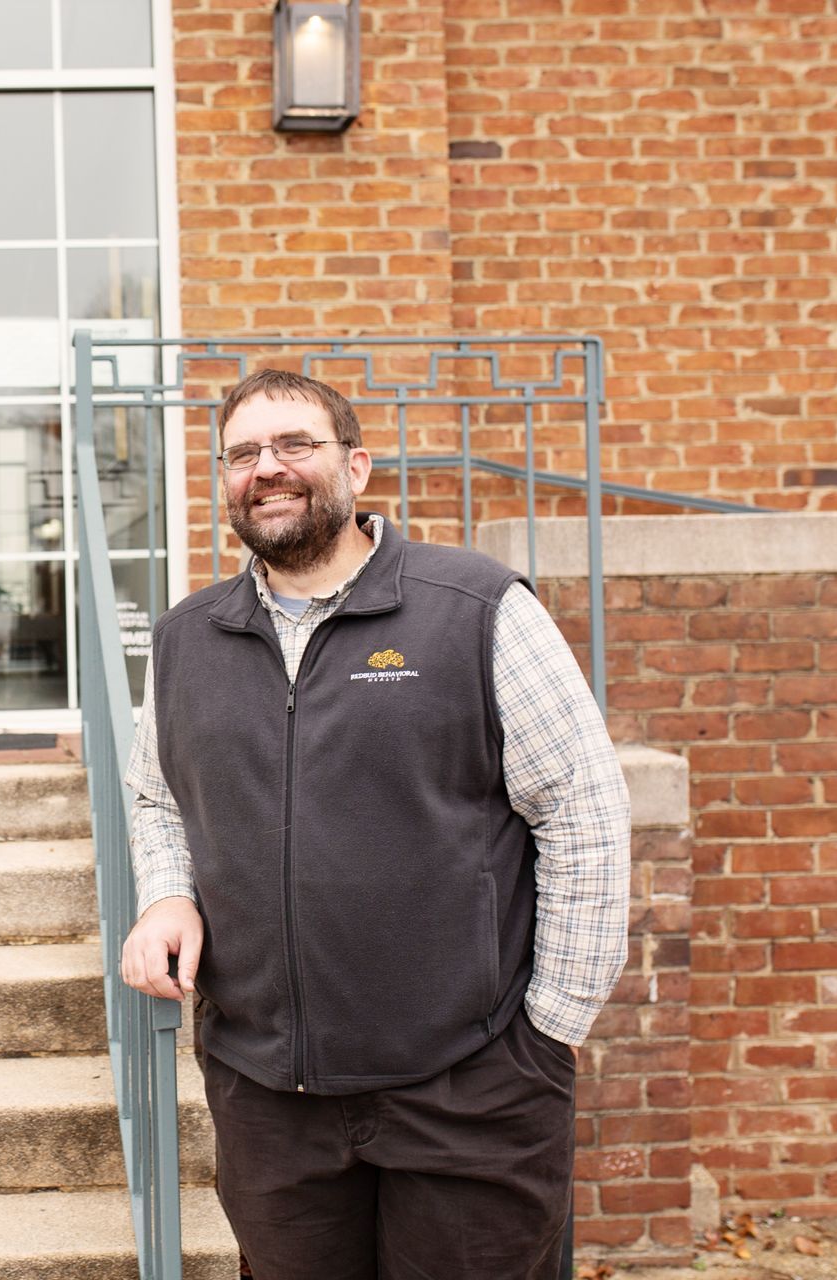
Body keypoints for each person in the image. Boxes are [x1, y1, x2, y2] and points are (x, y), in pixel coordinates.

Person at [120, 368, 631, 1279]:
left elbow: (582, 810)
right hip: (269, 1095)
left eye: (294, 445)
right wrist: (167, 893)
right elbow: (159, 795)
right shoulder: (185, 639)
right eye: (243, 454)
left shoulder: (475, 610)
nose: (266, 469)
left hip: (468, 1088)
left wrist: (551, 1030)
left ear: (356, 467)